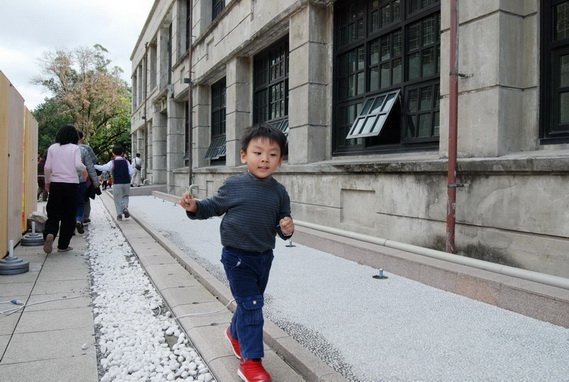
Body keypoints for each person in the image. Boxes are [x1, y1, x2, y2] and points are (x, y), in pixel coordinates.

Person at [179, 124, 294, 382]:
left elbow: (282, 224)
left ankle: (234, 333)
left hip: (264, 258)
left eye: (272, 154)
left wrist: (287, 228)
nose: (265, 159)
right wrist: (194, 205)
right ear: (244, 156)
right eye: (258, 152)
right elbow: (211, 207)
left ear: (280, 160)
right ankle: (251, 361)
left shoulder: (279, 192)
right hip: (237, 257)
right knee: (253, 305)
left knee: (249, 302)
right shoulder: (235, 185)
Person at [43, 124, 88, 254]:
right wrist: (84, 170)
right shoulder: (75, 148)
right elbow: (78, 165)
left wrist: (47, 182)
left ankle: (50, 234)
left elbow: (47, 167)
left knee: (53, 214)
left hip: (56, 184)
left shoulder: (52, 148)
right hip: (71, 185)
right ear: (74, 136)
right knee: (68, 216)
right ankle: (63, 245)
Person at [95, 144, 132, 220]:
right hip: (126, 182)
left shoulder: (112, 162)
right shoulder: (126, 162)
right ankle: (125, 208)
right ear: (122, 153)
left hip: (117, 183)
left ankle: (119, 214)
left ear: (113, 153)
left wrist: (94, 166)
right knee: (125, 196)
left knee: (117, 198)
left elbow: (103, 168)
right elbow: (131, 172)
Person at [75, 131, 99, 233]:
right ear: (82, 137)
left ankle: (71, 221)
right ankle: (84, 218)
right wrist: (96, 182)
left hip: (66, 180)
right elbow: (92, 163)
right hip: (83, 179)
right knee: (84, 199)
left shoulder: (62, 149)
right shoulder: (86, 149)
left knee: (71, 202)